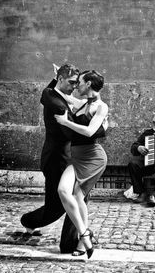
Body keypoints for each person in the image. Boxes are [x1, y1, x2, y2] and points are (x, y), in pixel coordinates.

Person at [20, 62, 80, 252]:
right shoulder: (57, 104)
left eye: (77, 83)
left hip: (57, 158)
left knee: (58, 203)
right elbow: (71, 134)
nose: (74, 87)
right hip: (57, 160)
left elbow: (48, 89)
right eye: (71, 82)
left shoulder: (50, 93)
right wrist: (96, 127)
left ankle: (28, 221)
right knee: (67, 201)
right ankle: (69, 244)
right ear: (61, 79)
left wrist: (55, 77)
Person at [54, 70, 108, 259]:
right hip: (76, 157)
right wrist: (58, 76)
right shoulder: (84, 102)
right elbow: (63, 95)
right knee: (63, 191)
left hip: (93, 158)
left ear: (89, 85)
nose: (77, 85)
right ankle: (85, 233)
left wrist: (65, 122)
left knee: (78, 196)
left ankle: (81, 242)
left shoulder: (101, 107)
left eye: (81, 82)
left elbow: (89, 131)